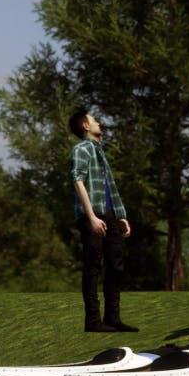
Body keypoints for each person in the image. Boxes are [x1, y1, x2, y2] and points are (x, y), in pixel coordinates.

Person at [69, 109, 137, 333]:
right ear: (85, 127)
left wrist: (121, 214)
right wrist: (91, 217)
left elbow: (111, 187)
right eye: (93, 119)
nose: (98, 121)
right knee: (93, 267)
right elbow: (77, 181)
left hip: (109, 214)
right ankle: (93, 321)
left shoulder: (100, 151)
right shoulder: (81, 149)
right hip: (92, 215)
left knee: (116, 265)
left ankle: (113, 318)